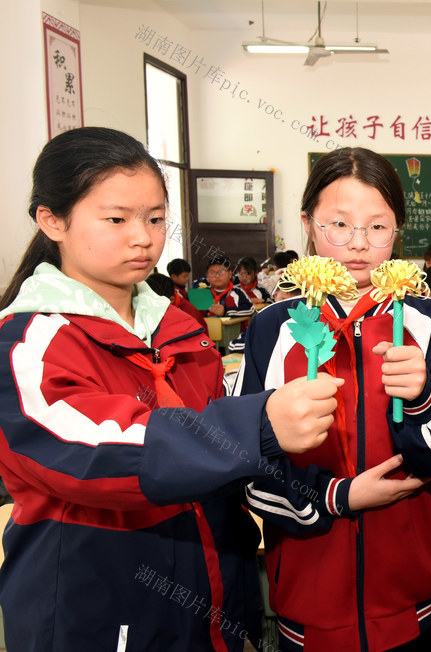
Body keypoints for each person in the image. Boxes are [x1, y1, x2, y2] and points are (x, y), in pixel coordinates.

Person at [0, 126, 342, 651]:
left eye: (156, 219)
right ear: (52, 220)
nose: (143, 237)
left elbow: (214, 443)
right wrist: (259, 424)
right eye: (116, 219)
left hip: (210, 601)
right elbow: (100, 452)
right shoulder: (29, 343)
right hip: (99, 609)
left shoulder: (176, 327)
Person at [233, 147, 431, 651]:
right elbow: (245, 468)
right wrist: (337, 497)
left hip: (410, 604)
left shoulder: (430, 321)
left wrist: (422, 398)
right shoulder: (273, 327)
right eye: (338, 224)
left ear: (398, 229)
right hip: (308, 602)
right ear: (308, 223)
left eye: (377, 227)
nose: (358, 245)